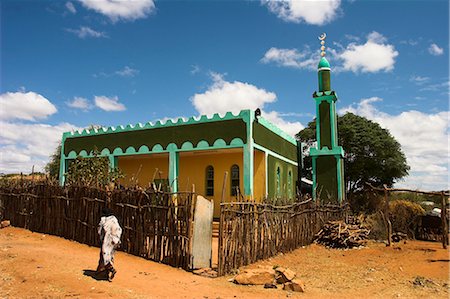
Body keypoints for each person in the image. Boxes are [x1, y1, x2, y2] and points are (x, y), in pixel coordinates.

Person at [96, 207, 122, 281]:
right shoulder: (114, 220)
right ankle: (104, 273)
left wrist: (101, 238)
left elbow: (100, 230)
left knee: (105, 254)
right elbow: (119, 229)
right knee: (111, 255)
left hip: (107, 239)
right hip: (115, 239)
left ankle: (111, 269)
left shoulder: (103, 219)